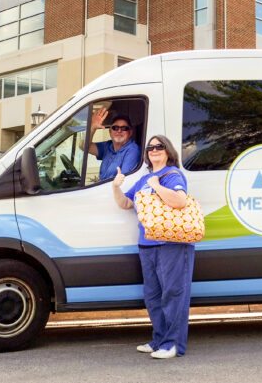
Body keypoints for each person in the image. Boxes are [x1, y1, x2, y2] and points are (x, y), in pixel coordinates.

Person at [112, 135, 195, 359]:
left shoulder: (172, 175)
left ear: (168, 151)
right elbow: (126, 204)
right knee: (153, 296)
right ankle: (159, 339)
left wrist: (157, 186)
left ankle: (173, 344)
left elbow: (179, 201)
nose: (154, 150)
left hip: (171, 244)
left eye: (159, 146)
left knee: (173, 294)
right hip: (147, 244)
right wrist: (116, 187)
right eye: (150, 147)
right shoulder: (144, 179)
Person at [87, 107, 141, 180]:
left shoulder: (133, 150)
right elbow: (84, 146)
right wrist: (93, 127)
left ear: (130, 132)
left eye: (124, 128)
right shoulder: (108, 145)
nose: (119, 131)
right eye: (115, 128)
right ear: (110, 131)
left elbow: (123, 181)